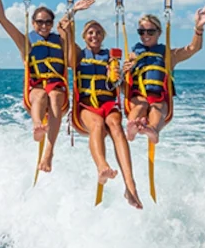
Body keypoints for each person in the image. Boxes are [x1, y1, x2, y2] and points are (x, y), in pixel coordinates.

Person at [0, 0, 94, 173]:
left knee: (55, 97)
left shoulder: (60, 41)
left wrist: (73, 11)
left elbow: (65, 32)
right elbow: (2, 20)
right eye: (40, 22)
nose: (44, 26)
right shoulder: (27, 42)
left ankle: (48, 153)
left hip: (58, 90)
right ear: (33, 23)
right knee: (41, 94)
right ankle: (38, 126)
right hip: (35, 91)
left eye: (47, 22)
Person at [59, 17, 143, 209]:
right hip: (86, 107)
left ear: (103, 36)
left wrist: (124, 74)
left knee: (116, 126)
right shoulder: (79, 55)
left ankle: (130, 185)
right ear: (84, 36)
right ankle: (102, 167)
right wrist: (70, 20)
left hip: (109, 104)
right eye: (90, 32)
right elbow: (67, 41)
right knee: (97, 124)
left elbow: (121, 89)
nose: (94, 35)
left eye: (97, 32)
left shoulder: (112, 59)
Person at [124, 4, 205, 144]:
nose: (145, 35)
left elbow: (192, 48)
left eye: (150, 32)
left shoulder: (169, 55)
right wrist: (124, 69)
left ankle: (153, 130)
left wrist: (199, 28)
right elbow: (121, 81)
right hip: (138, 96)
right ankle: (131, 128)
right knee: (140, 106)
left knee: (157, 108)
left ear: (159, 33)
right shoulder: (132, 55)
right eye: (141, 32)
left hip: (159, 96)